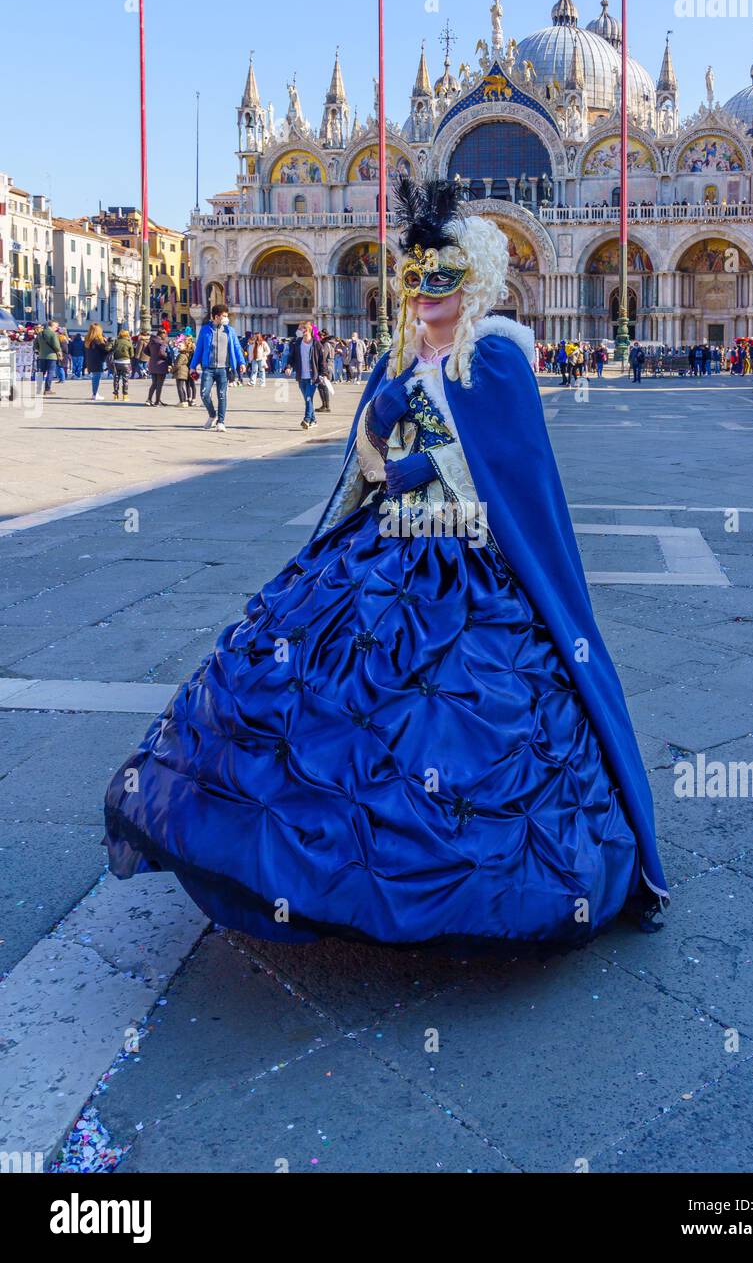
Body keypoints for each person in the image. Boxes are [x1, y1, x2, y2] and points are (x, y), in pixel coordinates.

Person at [104, 176, 668, 950]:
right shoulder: (397, 364)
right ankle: (300, 868)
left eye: (445, 277)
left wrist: (432, 465)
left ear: (475, 282)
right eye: (415, 276)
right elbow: (364, 467)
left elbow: (510, 471)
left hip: (465, 558)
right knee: (312, 691)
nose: (428, 290)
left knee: (451, 713)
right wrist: (377, 429)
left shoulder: (497, 361)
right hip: (384, 546)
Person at [191, 304, 246, 431]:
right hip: (208, 368)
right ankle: (212, 415)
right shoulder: (205, 330)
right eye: (224, 316)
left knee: (222, 395)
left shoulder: (229, 330)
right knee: (204, 394)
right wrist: (193, 366)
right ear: (216, 316)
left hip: (224, 369)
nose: (227, 318)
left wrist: (241, 362)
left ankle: (221, 422)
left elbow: (237, 348)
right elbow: (199, 349)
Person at [292, 320, 326, 429]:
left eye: (302, 329)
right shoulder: (297, 343)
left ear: (308, 330)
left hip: (313, 377)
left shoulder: (317, 344)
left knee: (308, 398)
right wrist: (288, 367)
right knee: (308, 399)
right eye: (300, 329)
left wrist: (324, 374)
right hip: (301, 377)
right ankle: (314, 420)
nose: (300, 331)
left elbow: (322, 361)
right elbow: (291, 357)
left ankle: (306, 419)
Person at [35, 321, 63, 394]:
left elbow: (35, 345)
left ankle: (38, 389)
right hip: (52, 356)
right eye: (56, 327)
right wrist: (59, 352)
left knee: (41, 372)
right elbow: (57, 346)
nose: (57, 329)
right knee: (50, 372)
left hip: (42, 356)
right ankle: (47, 389)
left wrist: (41, 350)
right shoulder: (53, 334)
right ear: (51, 326)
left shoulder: (40, 333)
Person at [84, 323, 109, 400]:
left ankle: (95, 393)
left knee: (95, 377)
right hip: (98, 361)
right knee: (96, 377)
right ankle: (95, 394)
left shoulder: (88, 340)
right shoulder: (98, 341)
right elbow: (105, 350)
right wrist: (107, 343)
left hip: (91, 361)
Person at [145, 330, 170, 406]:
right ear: (161, 334)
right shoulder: (162, 342)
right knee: (159, 384)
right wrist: (167, 357)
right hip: (161, 365)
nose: (166, 335)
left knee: (154, 383)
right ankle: (157, 401)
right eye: (165, 334)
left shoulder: (151, 341)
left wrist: (153, 356)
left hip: (152, 365)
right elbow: (162, 353)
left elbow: (145, 351)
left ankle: (149, 400)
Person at [112, 328, 134, 401]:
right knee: (125, 379)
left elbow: (112, 350)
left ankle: (115, 396)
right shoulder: (129, 343)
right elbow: (132, 355)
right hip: (126, 363)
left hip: (117, 363)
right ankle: (125, 396)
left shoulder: (116, 341)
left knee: (116, 379)